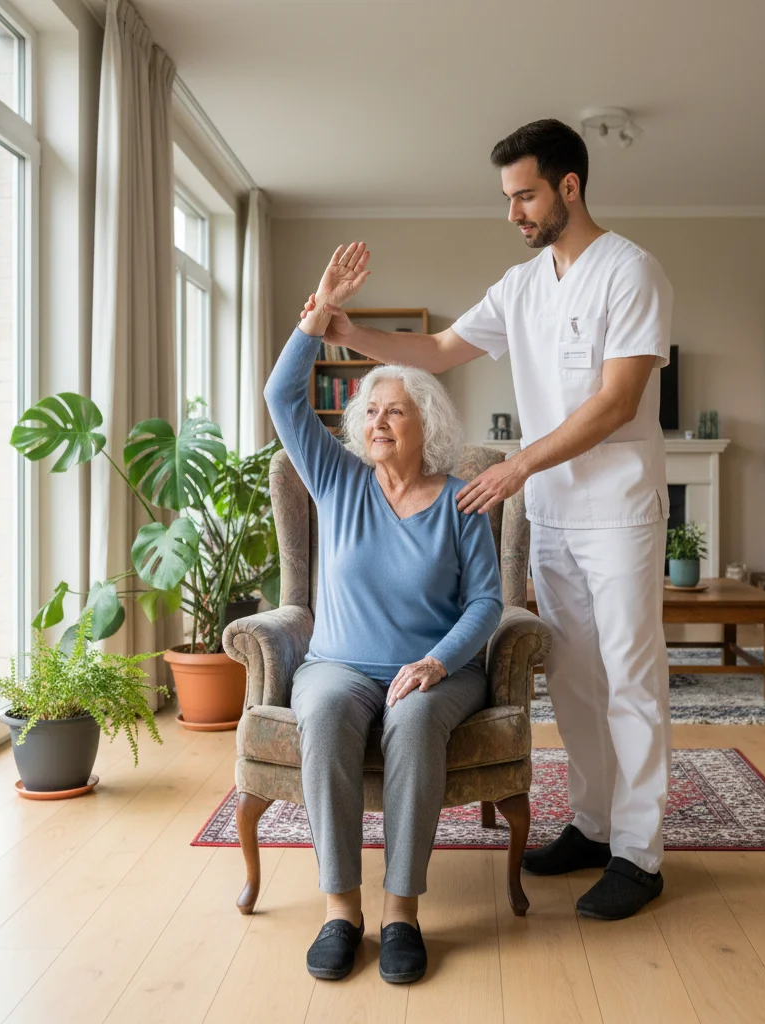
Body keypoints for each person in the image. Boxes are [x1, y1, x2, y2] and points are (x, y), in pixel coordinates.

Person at [298, 120, 673, 921]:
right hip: (557, 514)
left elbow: (618, 402)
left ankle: (640, 855)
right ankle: (594, 825)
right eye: (508, 198)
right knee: (572, 676)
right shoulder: (523, 285)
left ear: (569, 187)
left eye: (525, 194)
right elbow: (435, 348)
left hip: (620, 512)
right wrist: (346, 331)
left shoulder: (632, 273)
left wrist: (515, 465)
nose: (515, 212)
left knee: (631, 680)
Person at [264, 242, 503, 983]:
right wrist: (317, 313)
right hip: (339, 663)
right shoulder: (338, 482)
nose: (377, 422)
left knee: (414, 716)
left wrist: (435, 662)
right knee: (330, 709)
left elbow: (488, 601)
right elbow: (281, 398)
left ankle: (401, 911)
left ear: (425, 422)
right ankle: (342, 910)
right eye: (369, 411)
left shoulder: (462, 500)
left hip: (437, 671)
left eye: (393, 410)